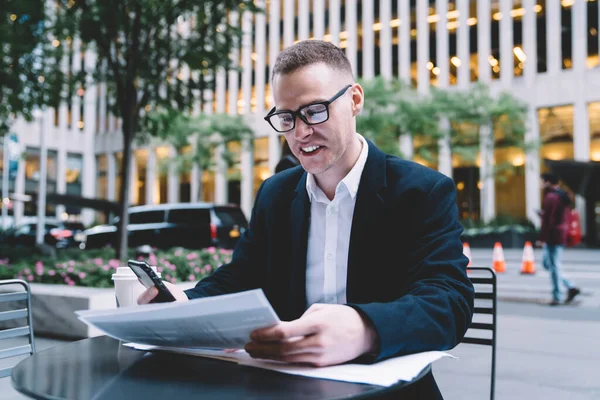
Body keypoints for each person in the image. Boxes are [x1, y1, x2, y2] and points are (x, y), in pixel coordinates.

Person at [139, 40, 474, 399]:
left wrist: (365, 329)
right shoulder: (276, 194)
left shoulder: (421, 192)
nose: (299, 133)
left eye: (314, 111)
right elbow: (243, 275)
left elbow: (449, 301)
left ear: (355, 100)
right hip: (289, 387)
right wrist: (187, 302)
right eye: (286, 118)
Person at [537, 173, 581, 306]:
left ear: (548, 182)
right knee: (548, 264)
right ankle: (570, 287)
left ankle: (557, 296)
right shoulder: (562, 196)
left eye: (543, 181)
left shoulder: (551, 197)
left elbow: (548, 220)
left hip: (552, 235)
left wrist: (542, 238)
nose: (541, 184)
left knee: (553, 265)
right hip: (560, 233)